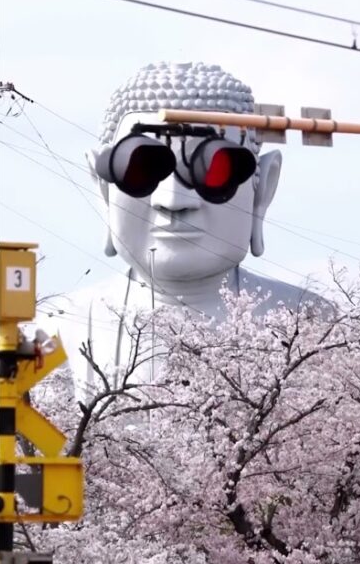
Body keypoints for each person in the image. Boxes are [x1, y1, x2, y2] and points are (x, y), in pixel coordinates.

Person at [37, 61, 333, 404]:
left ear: (262, 187)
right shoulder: (53, 328)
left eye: (214, 169)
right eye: (141, 167)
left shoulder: (311, 322)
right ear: (103, 186)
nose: (173, 200)